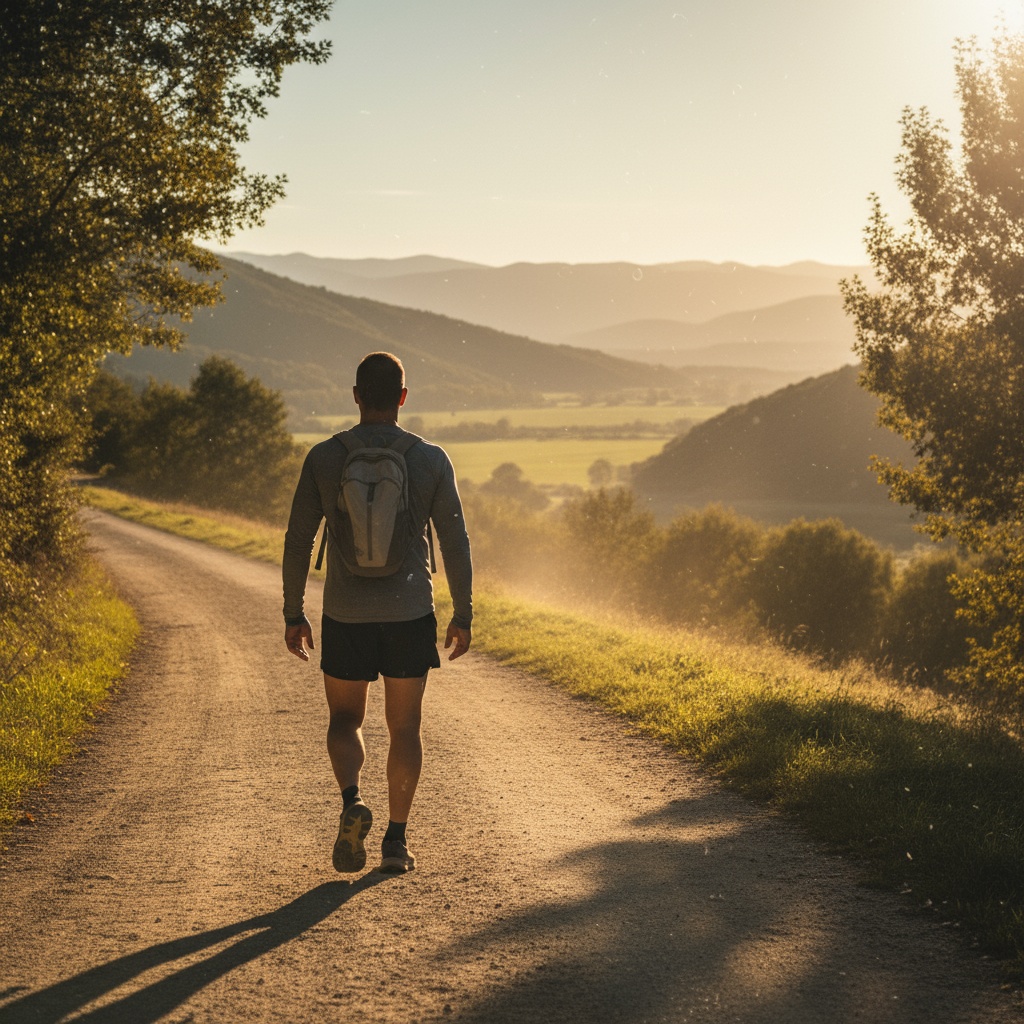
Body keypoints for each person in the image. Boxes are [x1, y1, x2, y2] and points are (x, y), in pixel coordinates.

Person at [282, 351, 473, 874]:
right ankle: (395, 841)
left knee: (345, 720)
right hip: (409, 612)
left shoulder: (325, 457)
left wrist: (294, 613)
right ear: (403, 397)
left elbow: (299, 540)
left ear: (356, 396)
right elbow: (455, 541)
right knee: (405, 726)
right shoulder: (431, 459)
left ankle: (352, 800)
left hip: (346, 615)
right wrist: (463, 613)